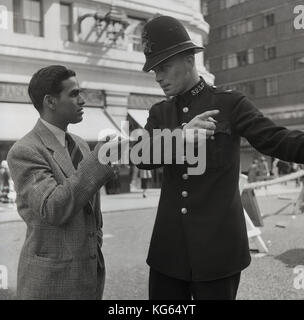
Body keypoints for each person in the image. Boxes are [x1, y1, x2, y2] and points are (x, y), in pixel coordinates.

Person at [137, 15, 304, 300]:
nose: (158, 77)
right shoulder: (159, 113)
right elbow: (139, 155)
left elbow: (277, 140)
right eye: (154, 70)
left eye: (163, 66)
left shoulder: (230, 104)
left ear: (190, 59)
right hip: (169, 253)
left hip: (218, 253)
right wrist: (180, 136)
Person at [7, 65, 125, 300]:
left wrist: (94, 244)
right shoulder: (25, 150)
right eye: (73, 94)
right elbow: (54, 208)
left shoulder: (81, 144)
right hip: (50, 282)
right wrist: (98, 160)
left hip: (88, 278)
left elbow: (93, 213)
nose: (82, 101)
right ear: (50, 101)